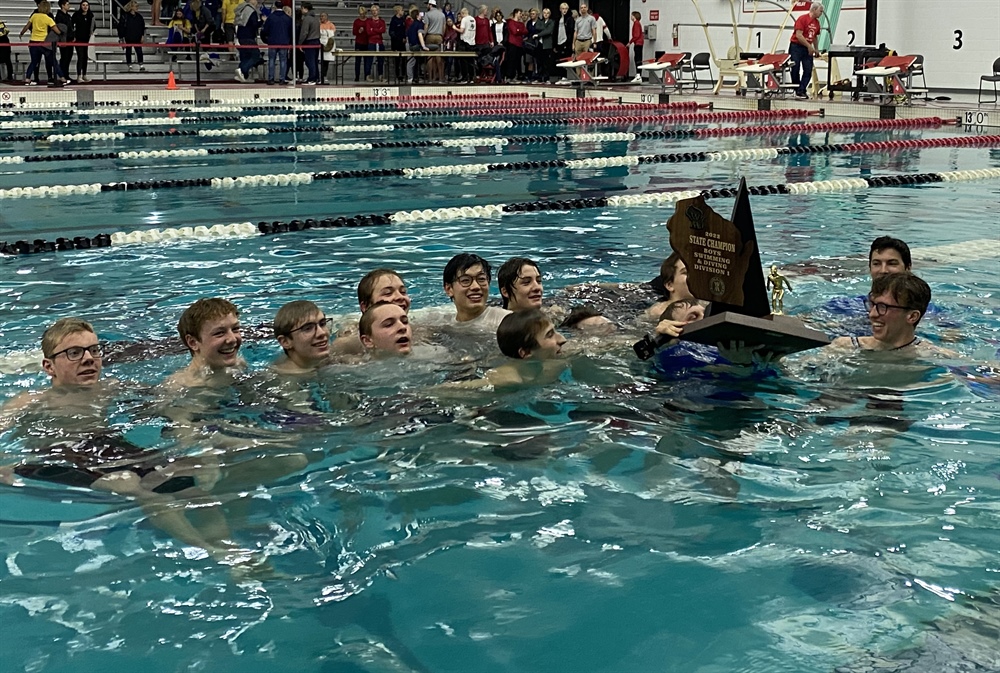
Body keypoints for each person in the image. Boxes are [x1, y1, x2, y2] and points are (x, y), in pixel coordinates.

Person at [831, 273, 933, 353]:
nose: (872, 314)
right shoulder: (844, 348)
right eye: (872, 304)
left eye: (883, 307)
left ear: (912, 316)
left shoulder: (934, 357)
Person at [164, 297, 245, 389]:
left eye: (235, 329)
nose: (232, 339)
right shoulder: (181, 388)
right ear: (193, 342)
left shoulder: (238, 365)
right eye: (219, 333)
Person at [438, 252, 510, 330]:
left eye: (481, 279)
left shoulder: (507, 322)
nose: (476, 287)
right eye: (465, 280)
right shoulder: (440, 321)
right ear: (449, 289)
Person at [271, 300, 333, 374]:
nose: (322, 333)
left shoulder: (323, 361)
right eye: (308, 328)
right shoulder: (281, 382)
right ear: (285, 342)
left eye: (322, 324)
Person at [20, 1, 65, 86]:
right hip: (44, 43)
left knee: (34, 62)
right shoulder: (48, 18)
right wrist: (61, 33)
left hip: (33, 42)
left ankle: (27, 78)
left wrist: (21, 33)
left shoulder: (34, 16)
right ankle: (62, 78)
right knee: (53, 61)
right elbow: (56, 30)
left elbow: (27, 26)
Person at [789, 1, 823, 99]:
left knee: (808, 69)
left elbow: (815, 37)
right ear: (814, 9)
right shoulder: (802, 19)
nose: (821, 13)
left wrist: (816, 49)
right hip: (796, 46)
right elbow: (799, 35)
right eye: (820, 11)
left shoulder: (817, 23)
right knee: (795, 68)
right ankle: (797, 88)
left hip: (807, 47)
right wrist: (809, 46)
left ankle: (802, 90)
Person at [260, 0, 291, 84]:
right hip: (284, 42)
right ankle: (282, 79)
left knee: (271, 60)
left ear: (275, 6)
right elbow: (291, 31)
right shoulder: (287, 18)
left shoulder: (271, 17)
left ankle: (271, 79)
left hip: (272, 42)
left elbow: (265, 30)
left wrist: (267, 39)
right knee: (283, 60)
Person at [233, 0, 263, 83]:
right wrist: (262, 21)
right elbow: (254, 24)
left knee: (246, 56)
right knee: (255, 55)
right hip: (248, 37)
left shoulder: (242, 9)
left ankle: (243, 75)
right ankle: (242, 70)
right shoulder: (251, 11)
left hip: (240, 36)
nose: (257, 2)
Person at [117, 0, 146, 72]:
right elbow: (120, 27)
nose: (137, 8)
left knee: (139, 51)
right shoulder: (125, 16)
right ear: (131, 7)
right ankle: (129, 64)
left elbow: (142, 27)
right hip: (128, 36)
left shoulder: (139, 17)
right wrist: (121, 37)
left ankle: (141, 64)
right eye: (136, 6)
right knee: (128, 51)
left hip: (137, 36)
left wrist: (142, 36)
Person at [70, 0, 94, 81]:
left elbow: (94, 26)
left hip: (87, 40)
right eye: (83, 5)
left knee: (85, 57)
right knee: (80, 57)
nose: (85, 7)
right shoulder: (76, 15)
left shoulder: (91, 15)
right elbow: (71, 26)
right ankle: (79, 76)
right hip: (78, 39)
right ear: (81, 6)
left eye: (87, 5)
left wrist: (91, 33)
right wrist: (73, 36)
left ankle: (84, 75)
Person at [570, 3, 596, 79]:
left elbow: (594, 30)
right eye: (581, 8)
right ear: (580, 10)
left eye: (584, 7)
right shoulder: (578, 20)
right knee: (577, 59)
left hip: (587, 40)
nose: (583, 9)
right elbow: (575, 32)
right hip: (578, 40)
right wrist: (573, 43)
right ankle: (579, 77)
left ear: (587, 8)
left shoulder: (591, 19)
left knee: (588, 59)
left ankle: (589, 76)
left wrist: (594, 42)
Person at [423, 0, 445, 83]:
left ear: (430, 5)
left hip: (430, 36)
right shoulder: (442, 15)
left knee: (430, 58)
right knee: (439, 58)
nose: (427, 6)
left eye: (427, 4)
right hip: (439, 36)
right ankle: (440, 78)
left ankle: (430, 79)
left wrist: (423, 36)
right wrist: (441, 35)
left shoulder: (428, 14)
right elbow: (444, 27)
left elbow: (426, 27)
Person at [298, 1, 320, 84]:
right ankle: (316, 77)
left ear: (305, 8)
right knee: (314, 61)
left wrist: (300, 43)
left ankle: (312, 78)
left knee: (309, 61)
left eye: (302, 8)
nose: (301, 10)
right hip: (316, 41)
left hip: (310, 42)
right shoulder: (315, 19)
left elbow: (304, 32)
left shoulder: (307, 19)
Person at [503, 7, 525, 82]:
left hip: (519, 44)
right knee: (511, 60)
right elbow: (514, 31)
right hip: (512, 43)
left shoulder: (521, 23)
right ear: (516, 13)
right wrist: (519, 31)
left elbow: (525, 31)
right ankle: (509, 76)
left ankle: (514, 76)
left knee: (517, 61)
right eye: (520, 13)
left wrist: (519, 30)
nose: (521, 15)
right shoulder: (511, 22)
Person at [405, 7, 428, 83]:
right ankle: (416, 77)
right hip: (416, 45)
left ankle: (410, 77)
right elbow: (420, 34)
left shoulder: (411, 25)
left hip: (410, 45)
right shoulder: (419, 24)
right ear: (418, 16)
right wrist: (423, 46)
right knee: (417, 61)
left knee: (411, 62)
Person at [365, 4, 386, 82]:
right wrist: (377, 30)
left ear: (378, 11)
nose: (374, 12)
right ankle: (368, 75)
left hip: (379, 42)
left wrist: (373, 29)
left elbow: (383, 30)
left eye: (375, 10)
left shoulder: (382, 21)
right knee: (369, 59)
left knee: (381, 59)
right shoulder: (368, 21)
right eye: (372, 11)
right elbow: (368, 32)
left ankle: (380, 75)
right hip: (371, 42)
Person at [533, 7, 553, 83]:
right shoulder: (540, 21)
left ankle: (546, 78)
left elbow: (549, 31)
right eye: (544, 13)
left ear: (550, 14)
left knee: (546, 63)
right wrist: (545, 29)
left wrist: (538, 35)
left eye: (547, 13)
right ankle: (539, 77)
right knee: (539, 62)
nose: (546, 15)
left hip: (547, 45)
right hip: (539, 44)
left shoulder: (551, 22)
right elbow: (537, 27)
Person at [55, 0, 74, 82]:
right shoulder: (59, 16)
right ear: (62, 5)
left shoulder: (68, 16)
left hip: (70, 39)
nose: (69, 6)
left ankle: (66, 74)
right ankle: (62, 75)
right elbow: (60, 28)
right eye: (67, 4)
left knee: (69, 57)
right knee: (64, 58)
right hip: (64, 40)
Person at [389, 4, 408, 81]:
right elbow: (391, 32)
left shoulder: (403, 20)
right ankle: (397, 74)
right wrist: (398, 39)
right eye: (402, 10)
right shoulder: (394, 20)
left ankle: (403, 74)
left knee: (404, 60)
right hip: (396, 43)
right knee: (397, 60)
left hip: (403, 43)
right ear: (398, 11)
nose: (403, 11)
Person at [457, 7, 476, 83]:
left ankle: (464, 77)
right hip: (472, 42)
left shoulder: (464, 19)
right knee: (471, 61)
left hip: (464, 42)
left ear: (462, 13)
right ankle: (471, 78)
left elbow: (462, 30)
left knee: (463, 61)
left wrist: (455, 28)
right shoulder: (473, 19)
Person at [352, 5, 368, 82]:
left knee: (366, 61)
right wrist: (359, 31)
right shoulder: (356, 21)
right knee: (357, 61)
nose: (362, 15)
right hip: (359, 42)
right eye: (361, 14)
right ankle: (357, 76)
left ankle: (366, 75)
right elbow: (354, 32)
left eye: (363, 13)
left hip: (367, 42)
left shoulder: (368, 21)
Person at [319, 12, 336, 81]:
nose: (321, 18)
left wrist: (324, 32)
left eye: (323, 16)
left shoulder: (331, 25)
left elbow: (332, 33)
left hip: (328, 44)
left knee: (326, 62)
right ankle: (320, 76)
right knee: (320, 61)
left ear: (326, 17)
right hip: (321, 44)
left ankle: (324, 75)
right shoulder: (319, 25)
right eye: (320, 16)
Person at [628, 10, 643, 83]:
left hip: (638, 43)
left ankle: (638, 75)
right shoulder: (638, 24)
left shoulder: (636, 24)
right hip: (639, 43)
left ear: (634, 16)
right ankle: (638, 75)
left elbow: (636, 35)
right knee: (638, 58)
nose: (631, 17)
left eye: (631, 15)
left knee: (637, 59)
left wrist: (630, 42)